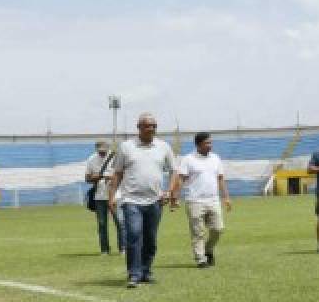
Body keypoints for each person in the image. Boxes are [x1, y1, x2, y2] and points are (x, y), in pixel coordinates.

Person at [108, 113, 177, 287]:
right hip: (131, 200)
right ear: (138, 127)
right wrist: (111, 197)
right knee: (133, 235)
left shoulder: (164, 147)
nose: (151, 129)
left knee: (150, 239)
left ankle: (146, 271)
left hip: (155, 201)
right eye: (147, 125)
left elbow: (174, 171)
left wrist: (169, 191)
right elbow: (117, 173)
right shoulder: (126, 147)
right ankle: (134, 274)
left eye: (154, 125)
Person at [176, 132, 232, 268]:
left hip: (213, 200)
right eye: (207, 143)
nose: (210, 145)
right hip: (194, 201)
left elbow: (220, 178)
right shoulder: (188, 159)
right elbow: (181, 179)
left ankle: (208, 249)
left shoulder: (216, 158)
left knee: (218, 229)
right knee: (198, 232)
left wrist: (226, 197)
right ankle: (200, 259)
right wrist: (175, 196)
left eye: (211, 143)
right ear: (198, 144)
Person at [84, 140, 122, 255]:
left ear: (108, 149)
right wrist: (98, 177)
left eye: (104, 151)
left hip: (116, 196)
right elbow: (87, 178)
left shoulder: (116, 158)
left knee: (120, 222)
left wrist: (109, 177)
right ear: (96, 149)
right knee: (101, 224)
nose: (102, 153)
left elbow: (121, 175)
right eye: (100, 151)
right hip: (99, 197)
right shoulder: (91, 159)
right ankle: (104, 250)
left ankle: (123, 248)